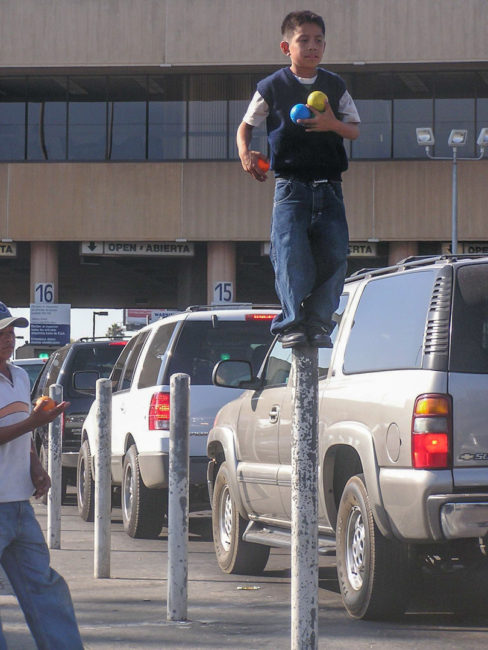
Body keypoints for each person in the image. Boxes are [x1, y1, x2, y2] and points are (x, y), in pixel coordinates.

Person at [237, 10, 360, 348]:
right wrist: (246, 153)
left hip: (330, 186)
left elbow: (354, 130)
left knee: (334, 255)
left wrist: (332, 125)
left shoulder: (334, 86)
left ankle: (319, 324)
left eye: (318, 40)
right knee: (291, 254)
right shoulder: (272, 87)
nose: (312, 47)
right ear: (285, 47)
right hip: (290, 185)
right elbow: (246, 126)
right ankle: (291, 322)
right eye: (303, 40)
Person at [0, 302, 84, 650]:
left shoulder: (18, 376)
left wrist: (34, 465)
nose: (10, 339)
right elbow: (24, 425)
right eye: (1, 333)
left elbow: (19, 432)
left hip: (19, 504)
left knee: (45, 587)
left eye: (12, 332)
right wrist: (34, 423)